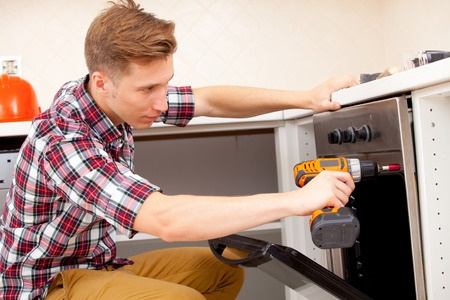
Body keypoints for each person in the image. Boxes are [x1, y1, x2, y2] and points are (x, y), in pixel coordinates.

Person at [0, 0, 358, 299]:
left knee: (221, 271)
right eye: (148, 89)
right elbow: (166, 220)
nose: (161, 102)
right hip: (45, 285)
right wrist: (297, 201)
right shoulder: (64, 139)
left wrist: (305, 98)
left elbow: (209, 100)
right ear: (102, 82)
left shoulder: (109, 96)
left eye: (165, 84)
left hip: (94, 264)